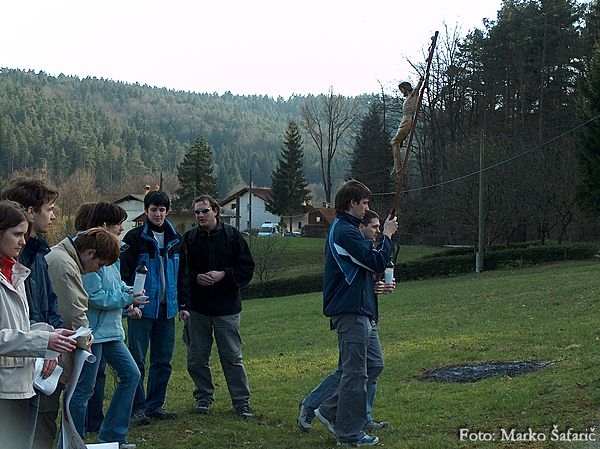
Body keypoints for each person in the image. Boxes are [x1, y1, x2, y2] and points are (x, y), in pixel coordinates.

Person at [311, 180, 397, 447]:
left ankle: (328, 410)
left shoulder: (348, 230)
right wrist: (387, 236)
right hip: (350, 311)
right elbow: (375, 260)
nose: (367, 208)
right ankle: (348, 434)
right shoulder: (345, 232)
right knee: (354, 373)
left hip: (362, 310)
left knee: (373, 365)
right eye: (365, 203)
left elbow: (366, 268)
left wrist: (376, 284)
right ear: (352, 203)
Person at [0, 199, 77, 449]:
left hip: (21, 382)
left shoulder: (16, 273)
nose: (23, 242)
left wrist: (51, 334)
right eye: (17, 234)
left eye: (24, 234)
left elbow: (19, 327)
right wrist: (43, 341)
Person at [69, 202, 145, 449]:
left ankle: (113, 436)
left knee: (131, 374)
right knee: (83, 390)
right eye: (118, 224)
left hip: (111, 331)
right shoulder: (89, 252)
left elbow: (117, 284)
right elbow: (95, 296)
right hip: (93, 332)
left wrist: (131, 295)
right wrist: (125, 299)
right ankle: (73, 441)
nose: (122, 228)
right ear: (104, 225)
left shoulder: (112, 251)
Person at [178, 195, 255, 419]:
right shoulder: (189, 239)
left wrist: (224, 274)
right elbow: (181, 272)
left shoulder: (233, 236)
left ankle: (241, 402)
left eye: (204, 211)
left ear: (216, 211)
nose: (200, 215)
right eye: (197, 212)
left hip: (227, 309)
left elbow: (247, 267)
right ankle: (203, 397)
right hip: (198, 309)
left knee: (232, 357)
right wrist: (196, 278)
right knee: (196, 357)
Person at [45, 226, 121, 448]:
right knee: (47, 416)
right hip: (55, 347)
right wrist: (86, 343)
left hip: (56, 343)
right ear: (89, 253)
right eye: (100, 264)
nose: (97, 270)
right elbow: (74, 313)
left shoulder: (63, 258)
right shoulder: (65, 266)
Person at [120, 191, 184, 422]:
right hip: (142, 311)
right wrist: (130, 304)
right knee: (136, 361)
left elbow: (182, 275)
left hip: (167, 311)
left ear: (167, 212)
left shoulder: (176, 240)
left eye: (162, 210)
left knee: (162, 361)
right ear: (146, 211)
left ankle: (155, 405)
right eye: (154, 209)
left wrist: (183, 304)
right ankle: (137, 408)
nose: (158, 214)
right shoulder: (134, 238)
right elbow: (124, 275)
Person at [390, 77, 423, 175]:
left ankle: (398, 167)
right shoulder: (408, 98)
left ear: (405, 88)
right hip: (404, 121)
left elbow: (417, 88)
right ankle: (396, 166)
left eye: (401, 90)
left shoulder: (413, 95)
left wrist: (420, 81)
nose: (401, 92)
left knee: (394, 142)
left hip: (407, 120)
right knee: (395, 142)